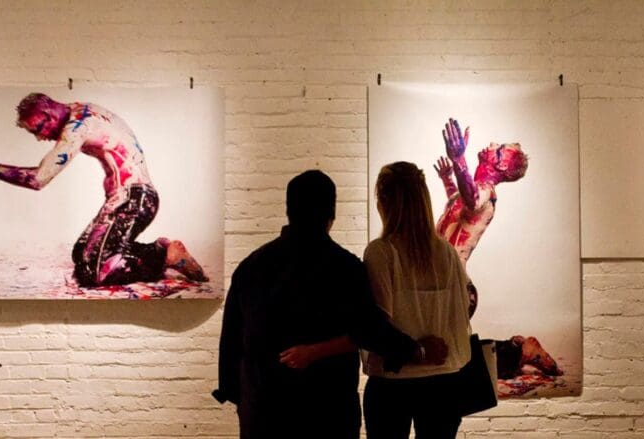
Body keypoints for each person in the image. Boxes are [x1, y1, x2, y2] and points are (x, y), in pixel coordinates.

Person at [214, 170, 448, 439]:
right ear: (331, 215)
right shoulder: (345, 268)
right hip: (329, 412)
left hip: (265, 413)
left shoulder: (251, 268)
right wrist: (417, 351)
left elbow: (231, 343)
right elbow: (370, 329)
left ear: (289, 211)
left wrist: (241, 399)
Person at [0, 93, 206, 287]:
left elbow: (38, 179)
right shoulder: (79, 110)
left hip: (135, 199)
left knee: (97, 272)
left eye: (39, 128)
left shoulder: (77, 127)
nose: (40, 137)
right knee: (81, 254)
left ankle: (166, 255)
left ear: (49, 113)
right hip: (124, 198)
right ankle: (159, 249)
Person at [361, 162, 473, 439]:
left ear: (384, 202)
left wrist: (416, 351)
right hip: (443, 380)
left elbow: (377, 325)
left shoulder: (381, 252)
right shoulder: (446, 253)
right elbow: (465, 306)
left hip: (392, 382)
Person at [433, 117, 528, 315]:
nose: (492, 144)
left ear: (502, 165)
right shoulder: (476, 190)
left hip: (452, 285)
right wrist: (447, 178)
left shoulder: (487, 192)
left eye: (499, 150)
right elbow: (458, 204)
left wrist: (459, 159)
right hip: (444, 280)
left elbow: (472, 199)